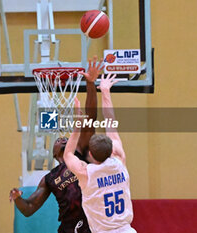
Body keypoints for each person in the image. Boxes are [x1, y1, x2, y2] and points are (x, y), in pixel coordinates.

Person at [9, 56, 104, 233]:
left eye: (66, 139)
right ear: (54, 154)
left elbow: (90, 118)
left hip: (93, 224)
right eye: (58, 140)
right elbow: (29, 208)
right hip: (69, 228)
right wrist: (17, 198)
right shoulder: (49, 179)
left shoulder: (81, 155)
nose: (62, 138)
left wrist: (90, 84)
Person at [63, 73, 136, 233]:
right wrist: (105, 91)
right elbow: (110, 120)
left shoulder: (86, 173)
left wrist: (77, 126)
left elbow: (68, 154)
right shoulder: (119, 160)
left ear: (91, 156)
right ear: (111, 150)